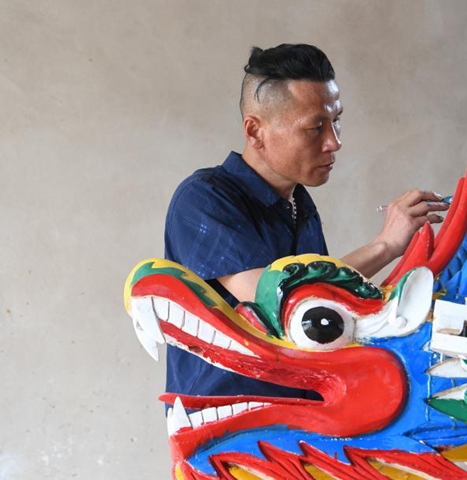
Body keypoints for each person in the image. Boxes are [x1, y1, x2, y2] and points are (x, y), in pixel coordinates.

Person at [164, 44, 448, 400]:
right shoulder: (204, 197)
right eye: (315, 128)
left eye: (336, 120)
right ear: (255, 132)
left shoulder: (299, 203)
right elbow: (281, 299)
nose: (334, 142)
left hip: (307, 419)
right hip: (233, 429)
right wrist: (385, 246)